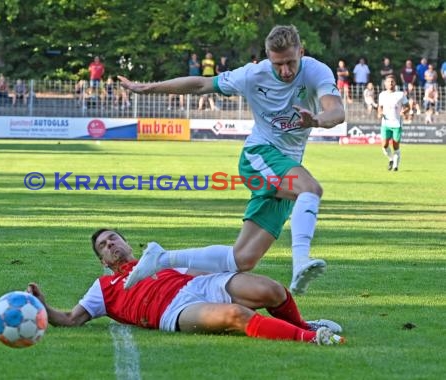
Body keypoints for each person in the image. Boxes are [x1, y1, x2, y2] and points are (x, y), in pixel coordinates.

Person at [119, 25, 346, 295]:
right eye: (278, 64)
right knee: (310, 189)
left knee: (243, 259)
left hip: (283, 167)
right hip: (259, 156)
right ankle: (300, 264)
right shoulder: (252, 75)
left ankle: (161, 259)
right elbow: (201, 84)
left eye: (290, 62)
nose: (285, 71)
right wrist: (149, 88)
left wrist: (317, 119)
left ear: (301, 52)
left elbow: (337, 111)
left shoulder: (316, 70)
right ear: (267, 57)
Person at [26, 229, 345, 346]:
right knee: (237, 314)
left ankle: (302, 323)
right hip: (173, 311)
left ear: (126, 242)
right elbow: (70, 319)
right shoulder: (103, 287)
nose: (111, 245)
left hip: (201, 285)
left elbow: (200, 266)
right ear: (103, 261)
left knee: (271, 290)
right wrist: (43, 305)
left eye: (114, 238)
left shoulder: (157, 259)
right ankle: (312, 338)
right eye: (104, 246)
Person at [377, 75, 408, 171]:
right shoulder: (382, 95)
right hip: (385, 123)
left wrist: (404, 111)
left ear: (395, 83)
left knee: (395, 145)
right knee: (384, 145)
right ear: (385, 83)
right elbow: (380, 107)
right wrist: (380, 113)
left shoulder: (400, 94)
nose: (390, 83)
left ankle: (395, 166)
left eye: (392, 81)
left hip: (396, 124)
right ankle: (391, 159)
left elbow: (407, 106)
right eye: (389, 82)